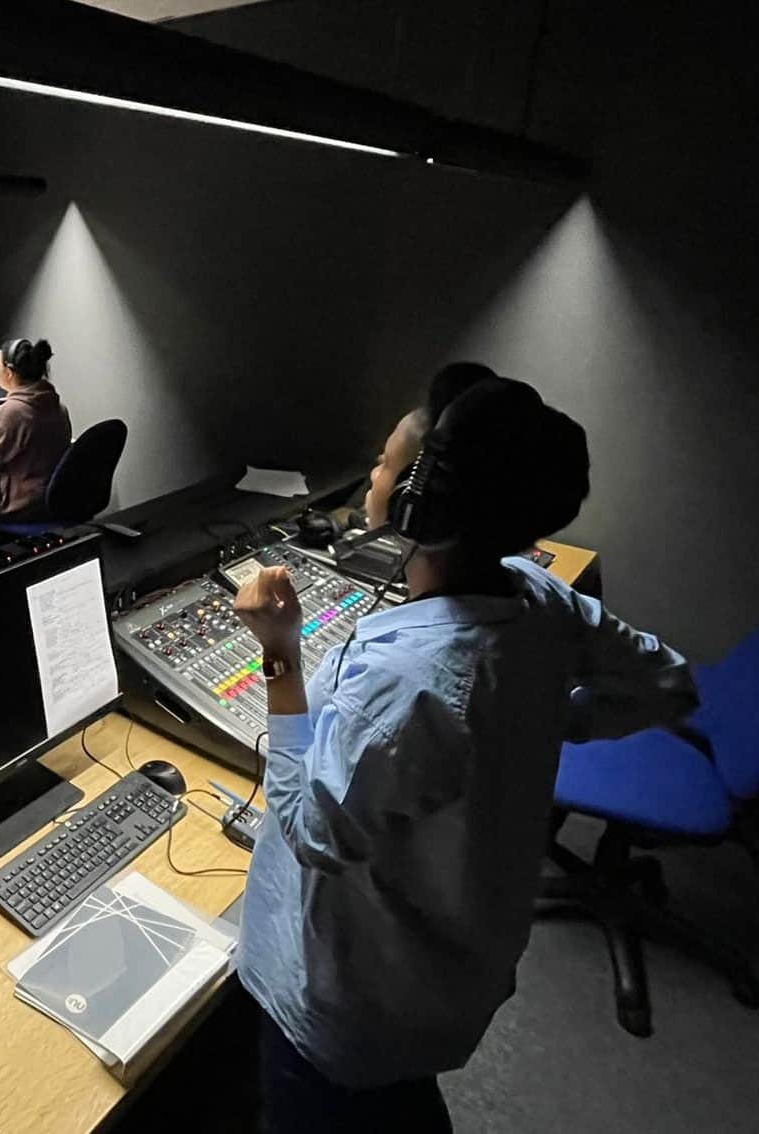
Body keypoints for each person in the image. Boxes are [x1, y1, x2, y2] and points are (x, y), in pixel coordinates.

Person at [231, 366, 699, 1133]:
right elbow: (666, 682)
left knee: (346, 1100)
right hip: (446, 968)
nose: (374, 473)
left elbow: (314, 829)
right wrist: (548, 719)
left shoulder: (413, 678)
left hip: (347, 999)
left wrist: (279, 654)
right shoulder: (536, 593)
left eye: (385, 464)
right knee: (395, 1096)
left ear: (421, 506)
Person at [0, 337, 71, 518]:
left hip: (20, 508)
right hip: (49, 503)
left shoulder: (11, 412)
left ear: (9, 373)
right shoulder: (57, 406)